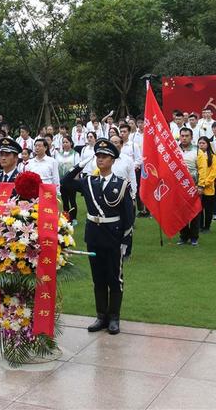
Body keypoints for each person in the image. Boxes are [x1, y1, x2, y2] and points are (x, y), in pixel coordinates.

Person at [61, 138, 134, 335]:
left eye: (105, 157)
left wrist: (126, 243)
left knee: (114, 279)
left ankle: (114, 318)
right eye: (98, 156)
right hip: (94, 236)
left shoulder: (122, 184)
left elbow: (128, 216)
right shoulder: (89, 182)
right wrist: (81, 163)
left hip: (113, 237)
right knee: (98, 279)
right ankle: (101, 316)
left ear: (113, 160)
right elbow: (65, 182)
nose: (100, 160)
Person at [177, 128, 200, 246]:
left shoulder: (197, 151)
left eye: (187, 136)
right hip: (179, 187)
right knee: (181, 212)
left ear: (191, 137)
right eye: (182, 136)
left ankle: (194, 237)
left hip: (193, 185)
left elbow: (202, 169)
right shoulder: (174, 150)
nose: (184, 138)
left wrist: (200, 185)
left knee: (195, 212)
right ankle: (183, 236)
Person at [55, 136, 80, 225]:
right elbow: (56, 168)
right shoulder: (58, 154)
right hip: (62, 181)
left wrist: (76, 180)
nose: (65, 144)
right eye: (63, 142)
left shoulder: (75, 154)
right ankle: (66, 218)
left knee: (72, 200)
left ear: (71, 143)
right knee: (64, 201)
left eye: (67, 142)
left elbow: (77, 167)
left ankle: (74, 218)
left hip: (72, 181)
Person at [197, 136, 216, 233]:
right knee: (199, 208)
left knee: (208, 209)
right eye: (200, 143)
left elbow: (213, 172)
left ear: (208, 145)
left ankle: (207, 226)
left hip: (209, 188)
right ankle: (200, 226)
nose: (201, 145)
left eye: (203, 143)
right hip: (198, 187)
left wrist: (205, 183)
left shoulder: (213, 157)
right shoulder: (196, 155)